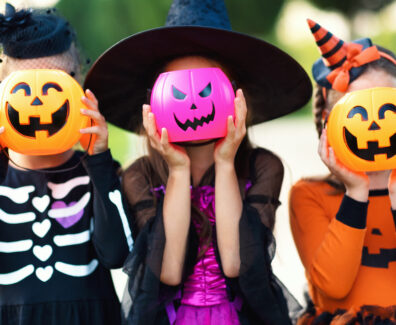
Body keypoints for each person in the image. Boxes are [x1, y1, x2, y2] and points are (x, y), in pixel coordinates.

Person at [85, 0, 312, 324]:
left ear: (234, 95)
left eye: (206, 89)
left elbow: (236, 263)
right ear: (155, 100)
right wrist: (177, 170)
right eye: (177, 91)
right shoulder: (141, 176)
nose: (192, 102)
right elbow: (168, 270)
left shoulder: (262, 167)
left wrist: (225, 163)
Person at [0, 4, 132, 325]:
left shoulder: (98, 172)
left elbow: (118, 254)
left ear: (79, 89)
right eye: (22, 89)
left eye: (54, 87)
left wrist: (98, 159)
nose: (38, 103)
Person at [289, 19, 396, 324]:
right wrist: (356, 192)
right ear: (328, 120)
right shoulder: (309, 195)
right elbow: (334, 286)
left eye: (386, 111)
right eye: (357, 113)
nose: (373, 126)